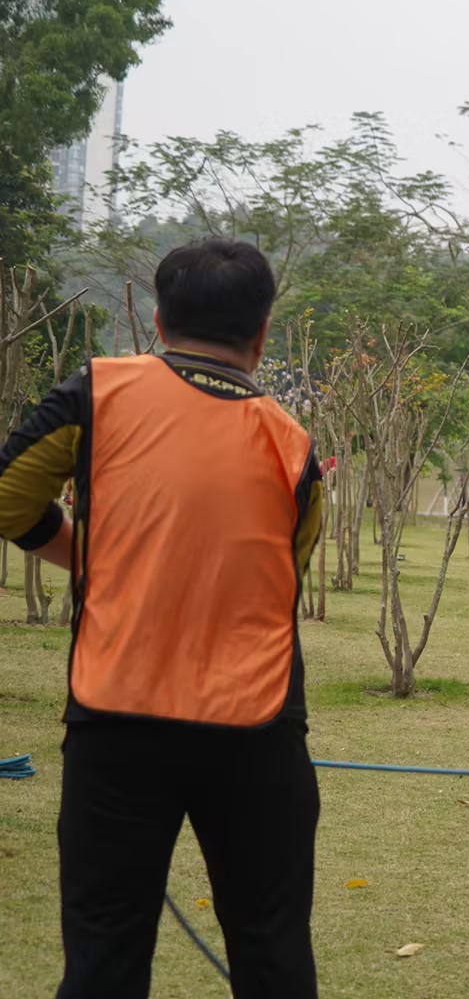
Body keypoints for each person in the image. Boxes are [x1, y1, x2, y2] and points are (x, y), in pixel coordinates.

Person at [0, 239, 322, 997]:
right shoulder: (292, 443)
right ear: (262, 334)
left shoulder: (96, 392)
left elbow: (9, 499)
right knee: (272, 949)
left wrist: (96, 560)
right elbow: (285, 571)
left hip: (117, 721)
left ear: (157, 319)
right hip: (256, 729)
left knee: (104, 956)